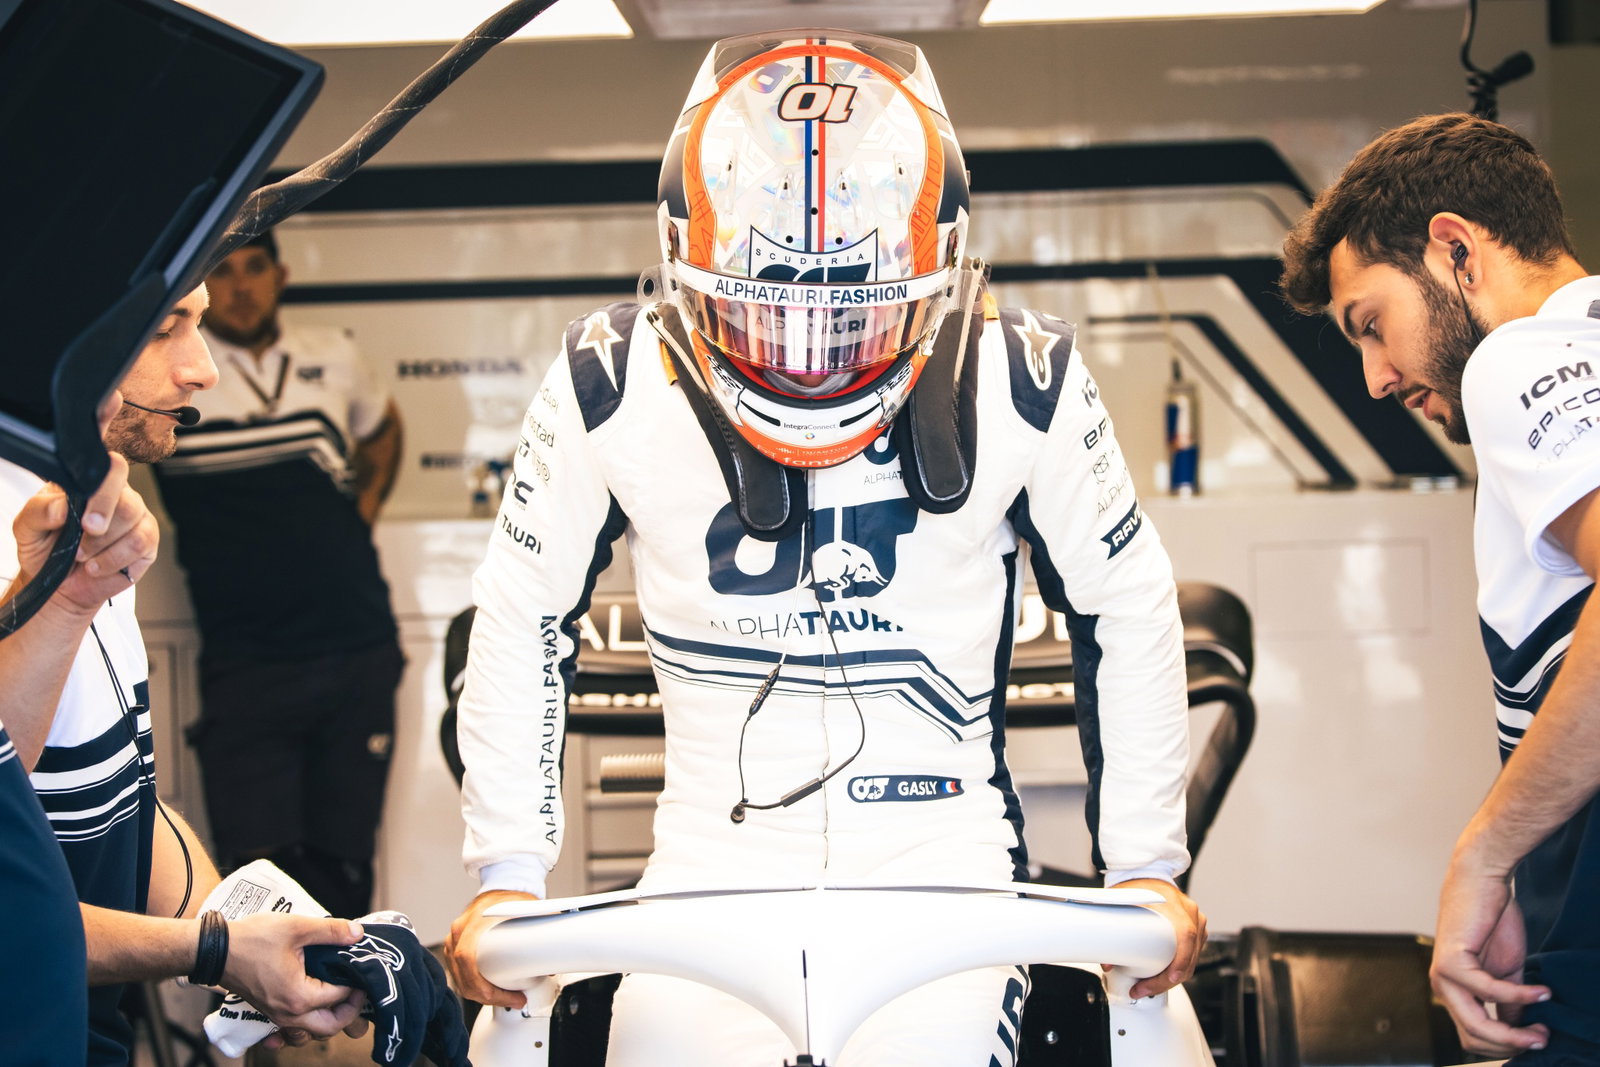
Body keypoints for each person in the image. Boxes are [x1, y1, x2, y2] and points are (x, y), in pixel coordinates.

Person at [445, 29, 1204, 1066]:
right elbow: (519, 609)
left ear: (927, 265)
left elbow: (1129, 602)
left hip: (943, 862)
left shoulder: (1025, 373)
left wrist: (1145, 868)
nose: (806, 356)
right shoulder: (606, 376)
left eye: (844, 310)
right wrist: (505, 877)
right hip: (708, 864)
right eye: (769, 305)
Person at [1280, 112, 1599, 1061]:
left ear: (1455, 248)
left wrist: (1485, 855)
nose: (1376, 378)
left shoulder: (1519, 358)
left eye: (1372, 326)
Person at [0, 286, 372, 1064]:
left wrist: (265, 936)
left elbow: (122, 805)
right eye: (166, 328)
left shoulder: (97, 509)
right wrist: (213, 951)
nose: (202, 369)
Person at [151, 230, 404, 920]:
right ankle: (263, 1025)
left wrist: (362, 512)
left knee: (346, 858)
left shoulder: (333, 354)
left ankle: (347, 1015)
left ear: (279, 275)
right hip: (246, 662)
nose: (240, 285)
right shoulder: (176, 371)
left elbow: (383, 431)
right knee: (256, 873)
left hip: (357, 647)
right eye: (223, 273)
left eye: (254, 269)